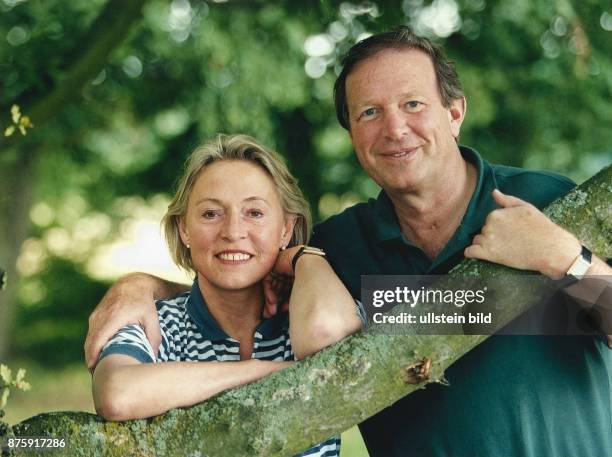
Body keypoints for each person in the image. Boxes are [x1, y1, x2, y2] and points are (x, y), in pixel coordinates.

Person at [86, 28, 612, 457]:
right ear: (353, 136)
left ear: (455, 113)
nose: (395, 128)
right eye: (369, 113)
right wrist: (140, 286)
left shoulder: (549, 203)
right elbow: (237, 274)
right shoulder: (339, 249)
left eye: (412, 103)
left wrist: (563, 257)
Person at [91, 134, 363, 457]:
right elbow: (117, 395)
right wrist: (263, 373)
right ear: (184, 230)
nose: (233, 231)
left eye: (255, 213)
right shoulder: (154, 323)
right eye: (210, 214)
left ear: (286, 229)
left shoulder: (313, 313)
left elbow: (327, 330)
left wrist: (302, 257)